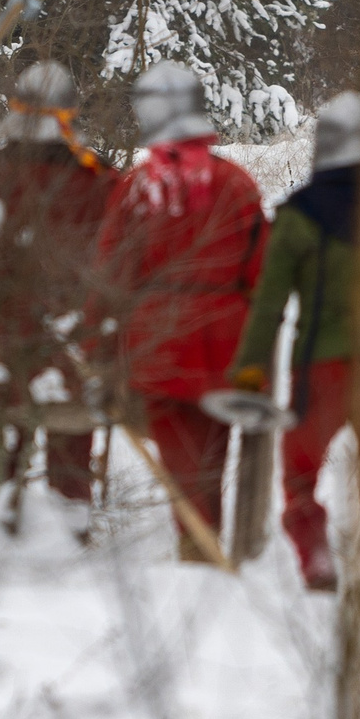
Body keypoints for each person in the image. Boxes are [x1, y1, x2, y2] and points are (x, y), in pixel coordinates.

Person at [226, 93, 360, 630]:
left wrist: (251, 369)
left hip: (321, 371)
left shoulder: (298, 217)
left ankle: (314, 553)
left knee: (298, 472)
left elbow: (268, 303)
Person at [94, 63, 266, 557]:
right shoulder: (236, 183)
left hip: (160, 344)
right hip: (225, 343)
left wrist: (98, 344)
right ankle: (207, 541)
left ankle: (198, 545)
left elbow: (110, 276)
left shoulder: (136, 190)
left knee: (181, 460)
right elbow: (261, 271)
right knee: (211, 453)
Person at [0, 62, 115, 506]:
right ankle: (69, 553)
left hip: (0, 343)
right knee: (70, 476)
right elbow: (120, 260)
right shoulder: (96, 180)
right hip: (71, 344)